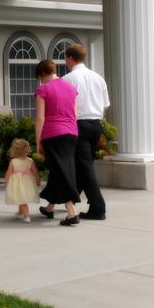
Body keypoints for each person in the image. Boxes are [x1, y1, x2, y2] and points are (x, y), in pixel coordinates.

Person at [63, 44, 109, 220]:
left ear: (70, 58)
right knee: (84, 166)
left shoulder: (68, 79)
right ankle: (72, 200)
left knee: (85, 167)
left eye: (66, 58)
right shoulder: (98, 78)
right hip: (96, 124)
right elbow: (104, 105)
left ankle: (98, 208)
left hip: (79, 125)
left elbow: (66, 106)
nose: (65, 61)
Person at [35, 59, 80, 226]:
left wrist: (38, 140)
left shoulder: (43, 89)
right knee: (59, 169)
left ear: (42, 74)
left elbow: (40, 118)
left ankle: (71, 212)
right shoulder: (71, 88)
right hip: (71, 133)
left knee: (61, 171)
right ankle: (49, 208)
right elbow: (75, 114)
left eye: (39, 77)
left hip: (53, 134)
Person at [4, 138, 41, 223]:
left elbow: (8, 173)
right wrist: (38, 180)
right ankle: (20, 213)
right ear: (27, 149)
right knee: (21, 198)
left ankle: (26, 216)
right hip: (28, 183)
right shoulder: (30, 161)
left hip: (17, 183)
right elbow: (36, 172)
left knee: (22, 199)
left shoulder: (13, 161)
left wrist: (6, 182)